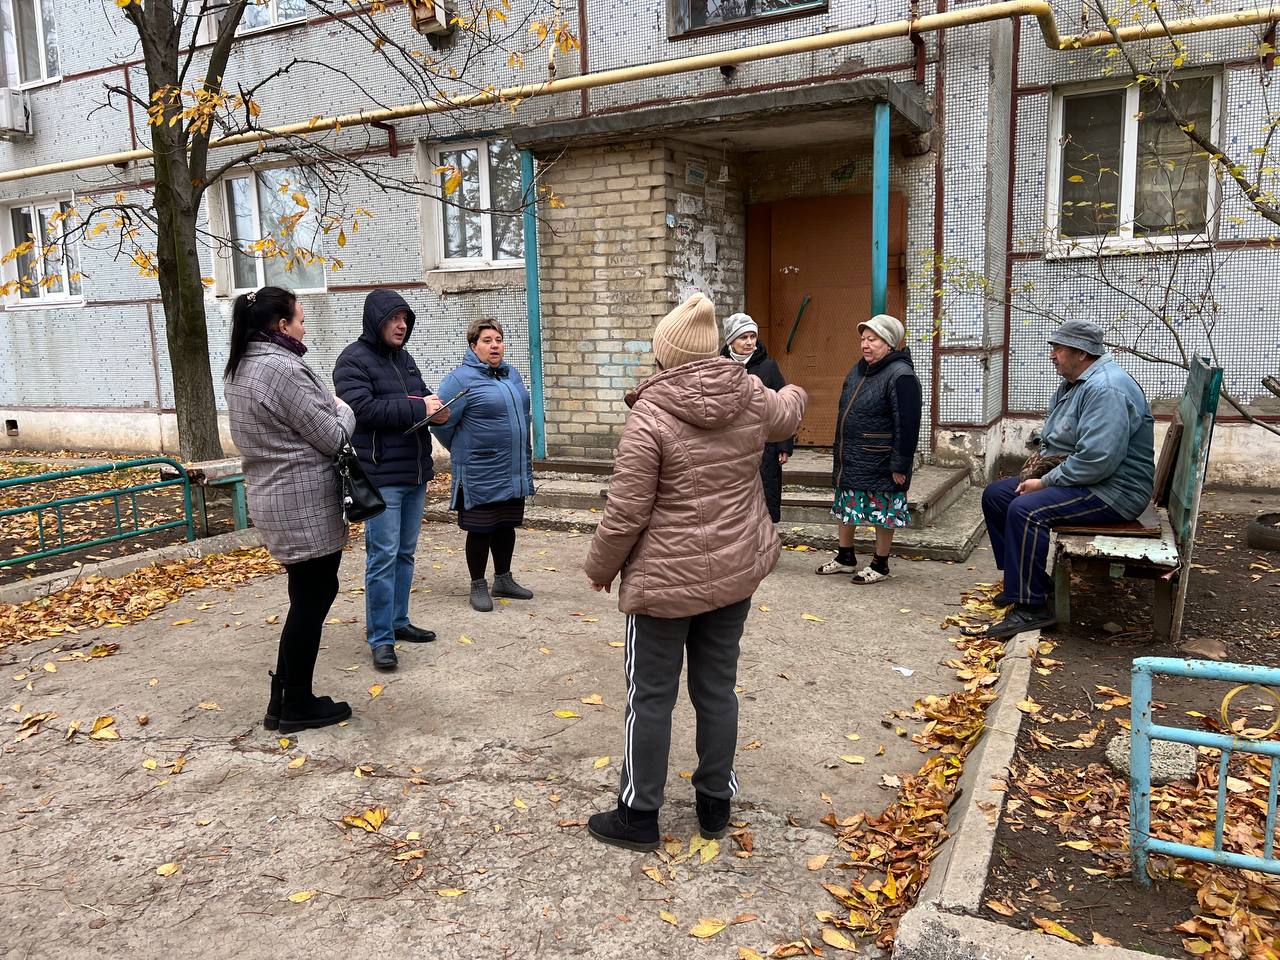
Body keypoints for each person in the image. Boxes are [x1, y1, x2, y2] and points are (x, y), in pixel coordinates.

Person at [582, 293, 807, 852]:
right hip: (733, 572)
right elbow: (790, 411)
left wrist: (600, 566)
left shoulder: (650, 415)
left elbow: (627, 509)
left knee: (651, 696)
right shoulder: (751, 393)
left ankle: (638, 814)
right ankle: (714, 803)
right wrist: (795, 387)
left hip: (665, 584)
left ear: (665, 355)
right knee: (717, 689)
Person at [223, 286, 353, 734]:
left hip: (273, 495)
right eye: (300, 319)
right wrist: (343, 409)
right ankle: (295, 702)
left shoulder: (242, 365)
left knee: (307, 595)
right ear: (281, 325)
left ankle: (284, 697)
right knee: (313, 599)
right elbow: (334, 437)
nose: (305, 326)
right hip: (303, 502)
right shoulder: (282, 369)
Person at [979, 320, 1155, 639]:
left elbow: (1098, 460)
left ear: (1081, 353)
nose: (1052, 356)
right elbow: (1060, 439)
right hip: (1090, 479)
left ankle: (1031, 608)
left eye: (1058, 349)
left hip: (1114, 491)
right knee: (996, 496)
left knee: (1025, 508)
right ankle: (1029, 583)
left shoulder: (1106, 389)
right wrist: (1041, 466)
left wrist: (1045, 483)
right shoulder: (1076, 382)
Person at [333, 289, 448, 672]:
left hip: (414, 471)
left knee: (404, 553)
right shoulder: (352, 360)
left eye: (405, 319)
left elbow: (421, 397)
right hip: (382, 475)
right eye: (394, 319)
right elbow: (360, 411)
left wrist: (438, 410)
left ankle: (399, 621)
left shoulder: (404, 359)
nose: (401, 326)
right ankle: (380, 637)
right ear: (375, 321)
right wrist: (419, 407)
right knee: (382, 556)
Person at [431, 319, 535, 613]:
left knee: (506, 524)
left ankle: (503, 578)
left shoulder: (510, 374)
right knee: (481, 528)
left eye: (498, 340)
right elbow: (440, 423)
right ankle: (478, 584)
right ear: (473, 346)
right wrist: (465, 449)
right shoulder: (460, 379)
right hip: (480, 469)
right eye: (487, 340)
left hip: (512, 466)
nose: (495, 345)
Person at [814, 314, 922, 584]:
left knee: (883, 512)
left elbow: (908, 424)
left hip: (880, 458)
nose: (865, 344)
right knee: (846, 506)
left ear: (888, 343)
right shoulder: (859, 368)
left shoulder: (901, 375)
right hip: (852, 455)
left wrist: (900, 464)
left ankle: (880, 564)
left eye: (872, 339)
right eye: (863, 339)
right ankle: (845, 557)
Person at [720, 312, 795, 524]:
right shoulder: (720, 366)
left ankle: (765, 543)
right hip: (730, 444)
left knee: (764, 493)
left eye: (753, 336)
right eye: (743, 337)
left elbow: (784, 406)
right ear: (731, 341)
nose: (750, 342)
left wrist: (784, 444)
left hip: (764, 442)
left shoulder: (768, 367)